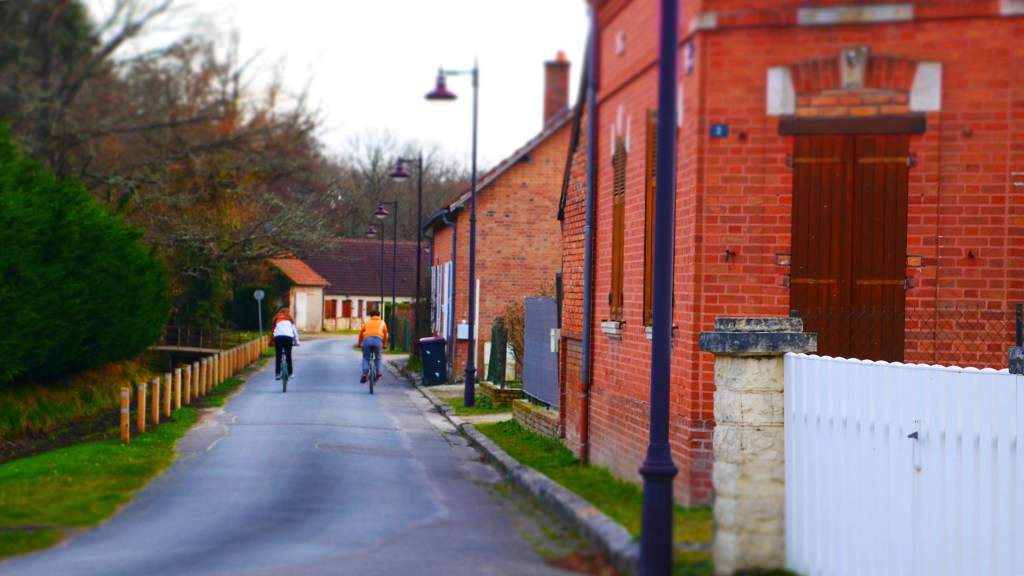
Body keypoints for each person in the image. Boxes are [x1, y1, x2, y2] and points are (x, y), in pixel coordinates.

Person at [358, 309, 388, 383]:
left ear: (370, 316)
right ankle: (378, 374)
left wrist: (359, 343)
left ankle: (365, 373)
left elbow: (361, 333)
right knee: (378, 358)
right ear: (379, 315)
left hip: (367, 340)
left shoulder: (367, 322)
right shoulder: (382, 323)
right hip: (378, 340)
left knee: (365, 357)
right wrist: (384, 344)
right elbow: (385, 335)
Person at [272, 307, 300, 380]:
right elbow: (295, 333)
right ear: (288, 313)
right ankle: (290, 373)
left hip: (278, 338)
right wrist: (297, 342)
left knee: (278, 356)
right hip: (288, 338)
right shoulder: (290, 320)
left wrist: (272, 342)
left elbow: (273, 331)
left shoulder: (276, 319)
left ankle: (277, 374)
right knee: (288, 356)